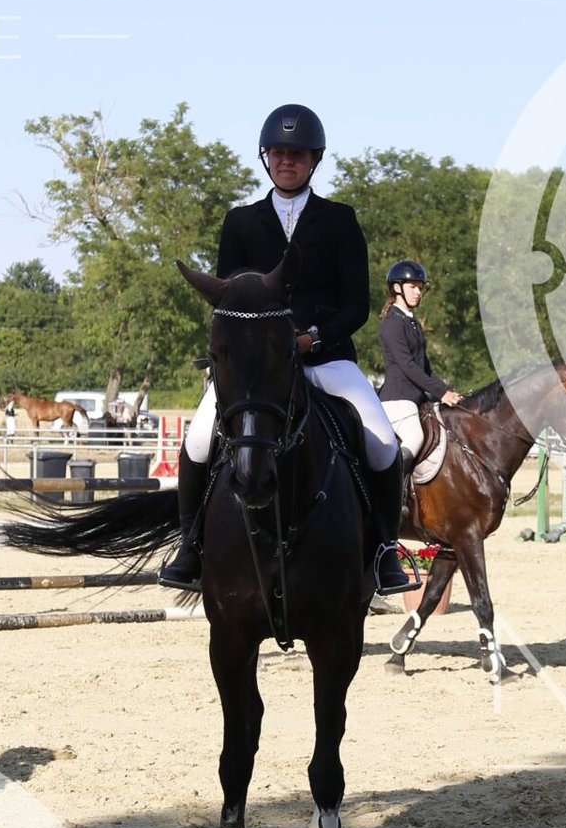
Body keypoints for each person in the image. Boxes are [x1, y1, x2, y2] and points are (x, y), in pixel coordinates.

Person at [160, 102, 410, 594]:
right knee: (198, 439)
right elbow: (230, 301)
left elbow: (356, 305)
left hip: (326, 358)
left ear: (313, 160)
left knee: (382, 442)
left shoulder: (339, 220)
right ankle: (190, 546)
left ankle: (385, 549)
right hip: (258, 369)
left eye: (296, 154)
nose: (286, 161)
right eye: (277, 153)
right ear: (266, 158)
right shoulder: (240, 222)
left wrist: (311, 337)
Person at [377, 260, 462, 458]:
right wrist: (441, 393)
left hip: (416, 397)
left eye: (420, 288)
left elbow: (425, 368)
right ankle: (396, 478)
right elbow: (408, 366)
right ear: (397, 288)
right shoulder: (392, 323)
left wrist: (447, 390)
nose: (418, 292)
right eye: (413, 287)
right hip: (397, 399)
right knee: (415, 437)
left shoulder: (411, 321)